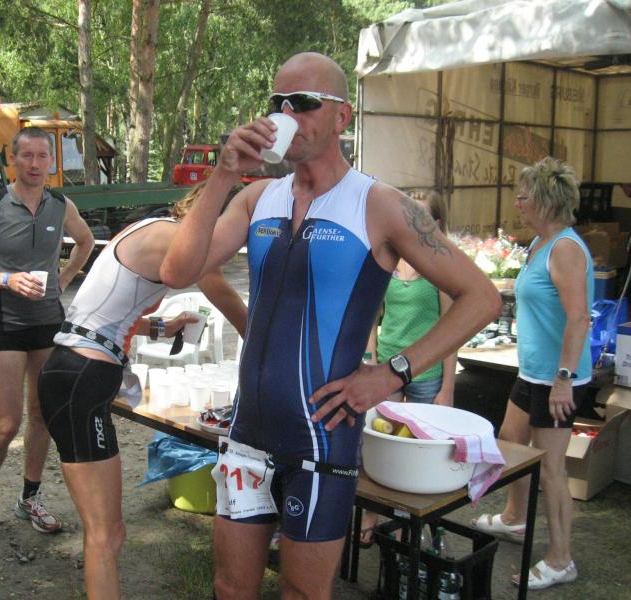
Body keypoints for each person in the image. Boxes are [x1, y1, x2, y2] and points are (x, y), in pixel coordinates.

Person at [160, 52, 502, 600]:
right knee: (230, 587)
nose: (286, 113)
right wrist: (224, 173)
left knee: (303, 593)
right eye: (278, 102)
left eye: (303, 103)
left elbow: (481, 298)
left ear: (342, 117)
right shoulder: (257, 197)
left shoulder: (380, 205)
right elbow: (178, 270)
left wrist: (393, 373)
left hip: (321, 442)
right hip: (248, 437)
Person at [37, 183, 247, 600]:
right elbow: (227, 297)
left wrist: (164, 326)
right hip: (80, 378)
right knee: (104, 534)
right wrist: (268, 347)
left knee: (109, 531)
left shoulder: (157, 229)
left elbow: (109, 312)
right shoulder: (176, 238)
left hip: (77, 373)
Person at [0, 127, 94, 548]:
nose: (35, 164)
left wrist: (64, 278)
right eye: (27, 156)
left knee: (42, 415)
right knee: (5, 424)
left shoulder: (61, 204)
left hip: (49, 323)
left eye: (42, 156)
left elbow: (86, 241)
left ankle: (30, 497)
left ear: (51, 162)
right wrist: (6, 279)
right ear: (13, 160)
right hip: (7, 327)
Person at [472, 157, 590, 590]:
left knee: (552, 469)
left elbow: (579, 318)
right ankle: (515, 517)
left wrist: (563, 379)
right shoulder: (541, 243)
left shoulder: (565, 249)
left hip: (557, 379)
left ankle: (561, 559)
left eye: (523, 197)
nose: (517, 204)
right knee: (510, 440)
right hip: (532, 373)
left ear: (544, 200)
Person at [359, 189, 458, 547]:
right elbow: (372, 316)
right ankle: (371, 514)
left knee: (418, 452)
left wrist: (447, 388)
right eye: (408, 212)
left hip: (426, 373)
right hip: (387, 368)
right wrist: (370, 359)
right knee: (377, 443)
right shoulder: (390, 257)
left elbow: (451, 331)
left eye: (420, 214)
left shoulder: (440, 267)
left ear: (437, 223)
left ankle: (405, 523)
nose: (411, 220)